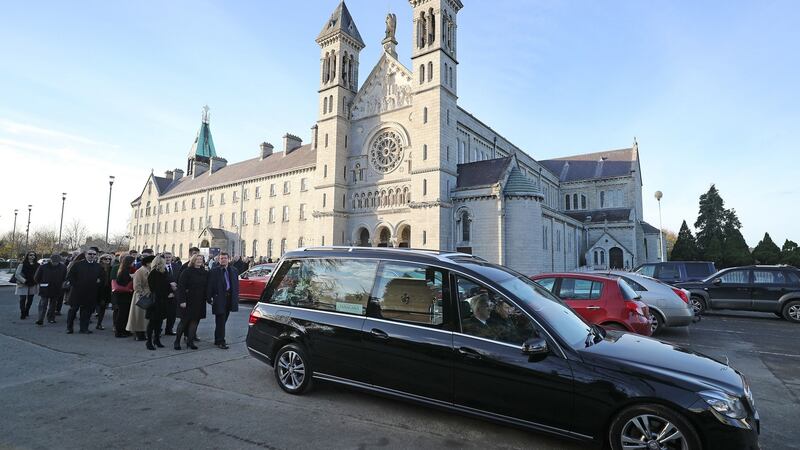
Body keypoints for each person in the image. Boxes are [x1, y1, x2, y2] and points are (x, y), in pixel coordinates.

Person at [65, 249, 104, 334]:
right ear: (86, 255)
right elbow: (70, 276)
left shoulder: (98, 266)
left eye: (94, 254)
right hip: (77, 292)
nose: (92, 256)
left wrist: (99, 281)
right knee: (73, 310)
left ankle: (84, 328)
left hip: (91, 292)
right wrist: (76, 284)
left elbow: (101, 278)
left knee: (87, 312)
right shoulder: (78, 264)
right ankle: (69, 328)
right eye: (90, 254)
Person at [175, 254, 209, 350]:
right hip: (188, 300)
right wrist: (182, 300)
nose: (199, 261)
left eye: (201, 259)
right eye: (197, 259)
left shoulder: (204, 272)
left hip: (200, 300)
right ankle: (177, 341)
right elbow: (181, 287)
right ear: (193, 260)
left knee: (195, 321)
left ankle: (190, 342)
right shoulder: (187, 271)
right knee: (184, 322)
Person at [207, 252, 239, 349]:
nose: (223, 260)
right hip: (219, 298)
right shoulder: (214, 271)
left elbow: (236, 285)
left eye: (225, 258)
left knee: (223, 320)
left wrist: (236, 297)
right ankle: (221, 341)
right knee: (220, 320)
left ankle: (217, 339)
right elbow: (209, 286)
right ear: (219, 260)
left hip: (230, 298)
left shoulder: (233, 270)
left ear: (228, 259)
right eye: (221, 258)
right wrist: (209, 298)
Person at [33, 254, 67, 325]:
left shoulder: (63, 267)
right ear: (50, 260)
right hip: (45, 288)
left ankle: (51, 318)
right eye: (54, 262)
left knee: (53, 305)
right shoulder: (43, 267)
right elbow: (36, 278)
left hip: (56, 288)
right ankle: (40, 319)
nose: (55, 263)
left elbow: (65, 278)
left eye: (57, 262)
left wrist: (62, 284)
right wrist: (41, 283)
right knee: (43, 304)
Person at [145, 255, 171, 350]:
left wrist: (170, 288)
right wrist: (167, 292)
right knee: (152, 322)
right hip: (155, 301)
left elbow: (166, 284)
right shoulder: (153, 273)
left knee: (159, 322)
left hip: (162, 301)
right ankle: (149, 342)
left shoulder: (164, 272)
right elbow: (155, 288)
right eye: (163, 262)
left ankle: (156, 339)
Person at [127, 255, 154, 341]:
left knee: (145, 317)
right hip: (141, 296)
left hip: (148, 295)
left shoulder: (150, 270)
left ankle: (144, 332)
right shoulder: (140, 271)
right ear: (147, 263)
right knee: (139, 316)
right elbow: (136, 285)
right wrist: (142, 294)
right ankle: (139, 334)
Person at [112, 256, 135, 338]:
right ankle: (119, 332)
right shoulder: (124, 271)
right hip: (123, 295)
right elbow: (124, 282)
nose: (133, 263)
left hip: (125, 295)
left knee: (125, 314)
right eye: (132, 261)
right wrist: (131, 277)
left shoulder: (124, 270)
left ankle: (124, 330)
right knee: (122, 314)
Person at [15, 251, 40, 319]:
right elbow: (17, 274)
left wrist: (37, 281)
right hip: (23, 283)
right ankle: (22, 313)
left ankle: (27, 311)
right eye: (30, 255)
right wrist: (25, 281)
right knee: (22, 299)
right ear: (27, 256)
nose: (32, 256)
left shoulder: (37, 265)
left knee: (30, 299)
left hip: (33, 284)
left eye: (33, 255)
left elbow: (39, 274)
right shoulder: (22, 264)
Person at [162, 252, 181, 335]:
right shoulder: (160, 267)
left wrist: (175, 291)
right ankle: (158, 330)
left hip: (174, 294)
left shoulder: (176, 266)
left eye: (169, 257)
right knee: (162, 313)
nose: (168, 259)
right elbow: (159, 282)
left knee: (172, 313)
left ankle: (169, 329)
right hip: (164, 295)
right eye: (166, 257)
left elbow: (180, 279)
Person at [94, 254, 113, 330]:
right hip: (97, 289)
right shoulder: (97, 267)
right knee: (92, 306)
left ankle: (99, 324)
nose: (107, 260)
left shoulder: (111, 268)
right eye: (105, 259)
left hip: (106, 290)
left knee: (103, 307)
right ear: (101, 259)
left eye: (109, 259)